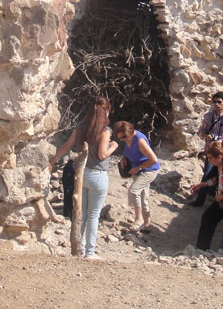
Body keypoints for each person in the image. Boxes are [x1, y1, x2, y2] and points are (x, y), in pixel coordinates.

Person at [49, 96, 118, 259]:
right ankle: (90, 252)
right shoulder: (105, 131)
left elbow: (67, 146)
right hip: (97, 175)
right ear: (106, 111)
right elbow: (102, 154)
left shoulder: (80, 127)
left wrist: (53, 160)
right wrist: (113, 146)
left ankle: (78, 248)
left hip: (81, 174)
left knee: (82, 214)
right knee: (93, 215)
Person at [113, 121, 160, 233]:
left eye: (123, 137)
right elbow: (128, 151)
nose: (122, 139)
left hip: (148, 170)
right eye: (120, 137)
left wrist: (139, 168)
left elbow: (153, 160)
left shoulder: (139, 140)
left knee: (134, 191)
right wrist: (124, 158)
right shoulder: (128, 139)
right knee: (143, 198)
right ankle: (147, 225)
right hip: (137, 170)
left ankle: (139, 219)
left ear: (130, 133)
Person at [191, 91, 223, 207]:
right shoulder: (208, 116)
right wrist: (207, 135)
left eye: (219, 102)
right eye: (214, 102)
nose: (216, 104)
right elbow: (201, 131)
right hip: (211, 151)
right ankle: (200, 200)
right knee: (207, 175)